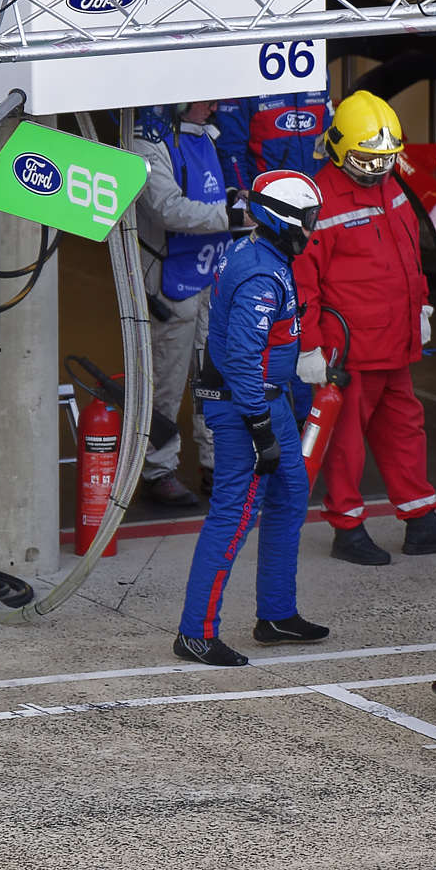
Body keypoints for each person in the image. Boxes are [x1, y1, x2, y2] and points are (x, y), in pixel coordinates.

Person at [302, 90, 436, 566]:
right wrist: (309, 349)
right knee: (346, 443)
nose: (375, 169)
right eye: (365, 160)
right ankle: (347, 527)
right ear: (336, 148)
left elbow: (407, 255)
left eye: (384, 159)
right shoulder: (321, 201)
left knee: (405, 429)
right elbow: (304, 284)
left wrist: (420, 308)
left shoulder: (390, 186)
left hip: (394, 341)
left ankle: (420, 519)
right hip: (349, 350)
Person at [175, 170, 327, 666]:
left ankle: (277, 615)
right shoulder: (262, 272)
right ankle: (195, 634)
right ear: (283, 220)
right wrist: (261, 428)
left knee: (290, 493)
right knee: (235, 515)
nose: (312, 228)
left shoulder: (262, 254)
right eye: (307, 219)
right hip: (246, 406)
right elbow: (242, 358)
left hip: (266, 399)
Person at [133, 102, 241, 511]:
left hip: (210, 278)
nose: (214, 106)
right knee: (165, 384)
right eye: (204, 98)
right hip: (168, 286)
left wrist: (235, 201)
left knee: (214, 377)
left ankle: (215, 463)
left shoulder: (207, 136)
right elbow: (167, 209)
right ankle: (156, 471)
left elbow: (212, 199)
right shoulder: (145, 143)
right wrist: (232, 212)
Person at [215, 89, 331, 182]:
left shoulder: (317, 68)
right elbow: (231, 148)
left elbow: (327, 139)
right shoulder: (245, 73)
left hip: (315, 192)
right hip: (266, 195)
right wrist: (243, 193)